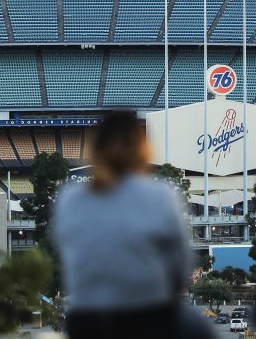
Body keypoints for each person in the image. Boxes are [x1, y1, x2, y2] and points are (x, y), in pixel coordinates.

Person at [53, 112, 203, 339]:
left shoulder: (70, 198)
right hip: (147, 318)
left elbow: (68, 254)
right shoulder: (159, 195)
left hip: (88, 320)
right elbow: (181, 263)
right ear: (141, 150)